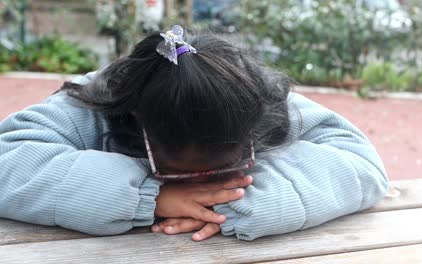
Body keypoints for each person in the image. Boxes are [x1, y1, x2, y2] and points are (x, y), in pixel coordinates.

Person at [0, 25, 389, 242]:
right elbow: (7, 161)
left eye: (220, 169)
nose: (202, 184)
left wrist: (231, 204)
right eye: (183, 174)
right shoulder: (98, 101)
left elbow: (360, 161)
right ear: (140, 128)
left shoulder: (260, 99)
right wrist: (151, 196)